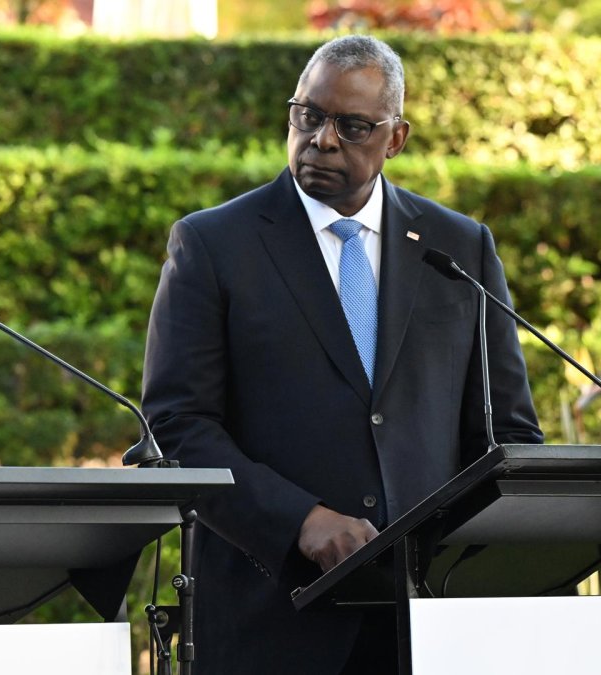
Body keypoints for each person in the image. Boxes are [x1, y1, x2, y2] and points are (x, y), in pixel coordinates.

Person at [141, 35, 543, 674]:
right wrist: (300, 520)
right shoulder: (214, 245)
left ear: (396, 138)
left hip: (429, 626)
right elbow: (177, 426)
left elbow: (506, 433)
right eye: (308, 116)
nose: (322, 140)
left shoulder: (458, 249)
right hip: (272, 624)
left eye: (353, 126)